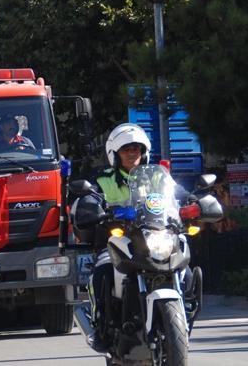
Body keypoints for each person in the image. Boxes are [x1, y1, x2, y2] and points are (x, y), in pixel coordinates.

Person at [74, 123, 193, 351]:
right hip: (119, 241)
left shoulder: (158, 176)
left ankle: (183, 318)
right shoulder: (104, 180)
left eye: (136, 148)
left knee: (185, 272)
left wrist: (192, 202)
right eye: (126, 149)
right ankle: (102, 327)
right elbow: (91, 199)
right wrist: (94, 208)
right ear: (115, 154)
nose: (131, 153)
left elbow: (177, 193)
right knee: (103, 272)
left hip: (155, 237)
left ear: (143, 151)